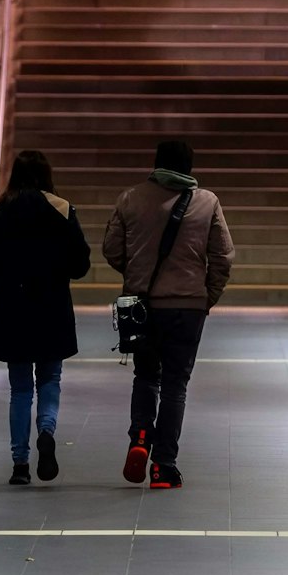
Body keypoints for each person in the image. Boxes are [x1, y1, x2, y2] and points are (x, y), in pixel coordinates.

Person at [102, 139, 235, 489]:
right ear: (189, 167)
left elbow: (111, 249)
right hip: (188, 307)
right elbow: (223, 257)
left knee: (146, 376)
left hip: (143, 306)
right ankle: (163, 466)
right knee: (176, 385)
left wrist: (136, 276)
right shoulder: (207, 202)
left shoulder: (130, 198)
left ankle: (140, 438)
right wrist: (207, 296)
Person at [0, 150, 93, 484]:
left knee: (20, 389)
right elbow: (81, 265)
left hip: (12, 310)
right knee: (50, 379)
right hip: (52, 308)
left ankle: (20, 465)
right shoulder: (62, 210)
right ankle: (47, 431)